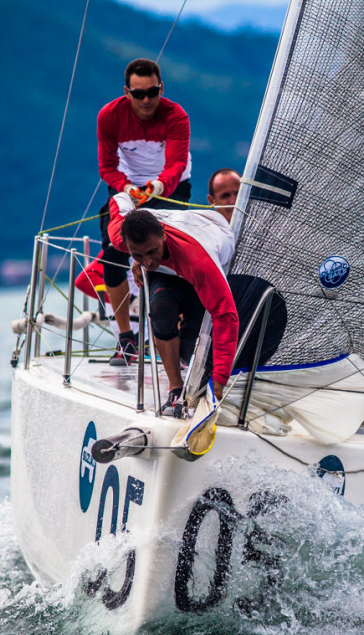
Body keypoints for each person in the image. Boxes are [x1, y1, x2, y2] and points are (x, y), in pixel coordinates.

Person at [105, 188, 238, 417]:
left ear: (163, 235)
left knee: (193, 348)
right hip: (169, 262)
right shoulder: (121, 237)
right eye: (137, 255)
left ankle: (201, 378)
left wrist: (219, 381)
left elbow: (226, 317)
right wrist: (133, 193)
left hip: (206, 240)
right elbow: (118, 201)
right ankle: (176, 388)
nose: (147, 260)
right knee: (161, 310)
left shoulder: (199, 261)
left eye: (150, 251)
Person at [97, 58, 193, 366]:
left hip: (171, 186)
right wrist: (127, 188)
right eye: (139, 94)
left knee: (165, 257)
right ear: (127, 93)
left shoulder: (176, 115)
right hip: (127, 186)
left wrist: (157, 188)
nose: (147, 100)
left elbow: (176, 165)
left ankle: (171, 335)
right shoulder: (109, 117)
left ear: (161, 88)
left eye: (152, 92)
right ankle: (126, 338)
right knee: (113, 252)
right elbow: (107, 167)